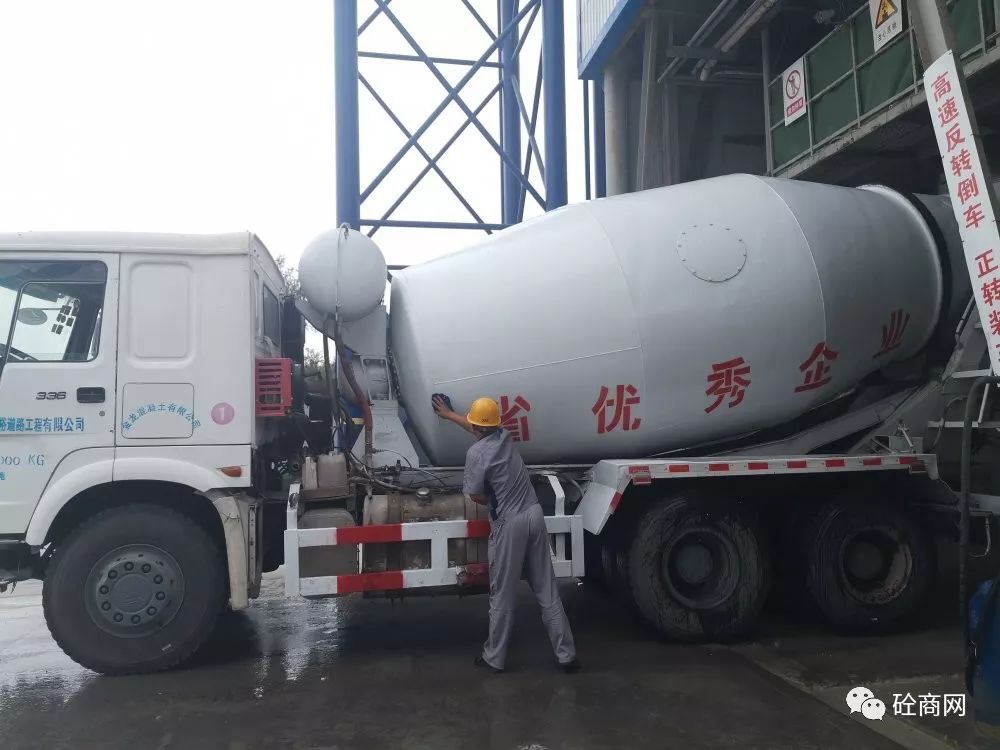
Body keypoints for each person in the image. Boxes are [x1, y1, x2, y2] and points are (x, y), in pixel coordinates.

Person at [432, 394, 579, 674]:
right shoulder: (505, 436)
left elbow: (475, 495)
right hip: (534, 513)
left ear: (477, 426)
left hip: (510, 523)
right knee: (547, 590)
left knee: (502, 594)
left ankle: (494, 657)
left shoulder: (476, 454)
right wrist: (451, 415)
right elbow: (479, 427)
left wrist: (495, 498)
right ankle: (567, 655)